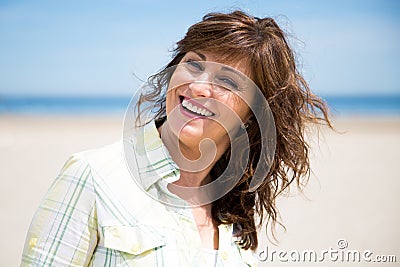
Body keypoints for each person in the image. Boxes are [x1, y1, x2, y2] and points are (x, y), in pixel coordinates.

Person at [21, 10, 332, 266]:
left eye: (226, 80)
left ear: (252, 114)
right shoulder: (94, 176)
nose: (198, 86)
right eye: (193, 64)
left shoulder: (234, 218)